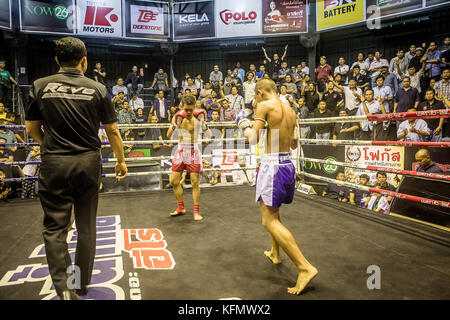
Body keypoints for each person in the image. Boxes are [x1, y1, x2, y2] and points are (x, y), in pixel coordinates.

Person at [25, 37, 127, 300]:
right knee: (86, 227)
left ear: (57, 60)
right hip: (87, 163)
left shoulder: (39, 86)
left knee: (55, 228)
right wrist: (120, 160)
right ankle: (79, 284)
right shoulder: (97, 88)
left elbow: (31, 129)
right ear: (84, 61)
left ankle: (65, 290)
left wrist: (48, 144)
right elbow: (113, 130)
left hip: (55, 162)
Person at [237, 79, 317, 295]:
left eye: (256, 96)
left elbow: (252, 139)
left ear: (261, 92)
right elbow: (294, 143)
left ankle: (304, 267)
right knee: (274, 212)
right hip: (287, 163)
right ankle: (275, 252)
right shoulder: (290, 109)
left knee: (268, 220)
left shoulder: (265, 106)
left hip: (272, 166)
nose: (256, 100)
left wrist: (242, 123)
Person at [167, 94, 212, 221]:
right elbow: (168, 134)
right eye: (186, 109)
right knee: (174, 181)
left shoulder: (199, 117)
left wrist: (203, 125)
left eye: (191, 109)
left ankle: (196, 211)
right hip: (181, 150)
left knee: (194, 182)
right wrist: (175, 125)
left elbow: (210, 135)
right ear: (182, 106)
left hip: (193, 150)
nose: (188, 112)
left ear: (195, 107)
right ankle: (181, 207)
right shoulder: (178, 117)